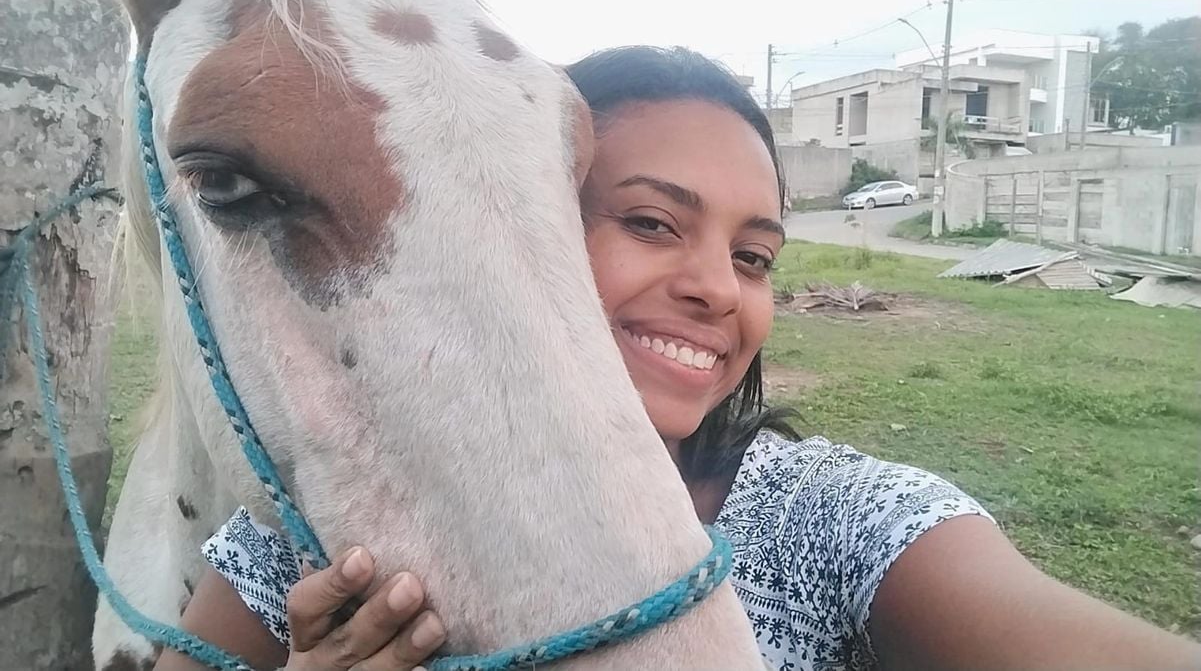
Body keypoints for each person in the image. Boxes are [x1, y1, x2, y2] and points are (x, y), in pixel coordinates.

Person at [160, 47, 1200, 671]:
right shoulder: (307, 545)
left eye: (754, 258)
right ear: (513, 233)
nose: (718, 288)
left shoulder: (826, 525)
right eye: (653, 224)